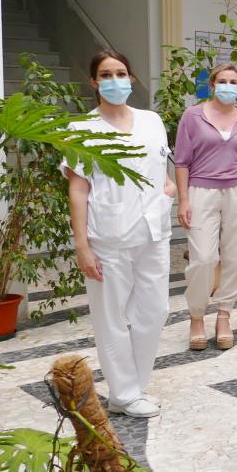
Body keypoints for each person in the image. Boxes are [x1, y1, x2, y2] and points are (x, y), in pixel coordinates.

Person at [64, 50, 174, 418]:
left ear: (131, 78)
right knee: (111, 317)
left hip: (153, 231)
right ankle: (125, 393)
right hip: (107, 237)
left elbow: (163, 169)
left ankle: (134, 387)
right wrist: (82, 245)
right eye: (106, 75)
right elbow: (78, 190)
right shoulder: (82, 129)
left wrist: (168, 192)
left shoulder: (152, 120)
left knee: (155, 311)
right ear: (94, 82)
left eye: (121, 73)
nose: (115, 80)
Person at [174, 63, 237, 351]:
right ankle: (197, 316)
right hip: (202, 192)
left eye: (233, 81)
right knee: (203, 258)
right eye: (222, 81)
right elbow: (182, 161)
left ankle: (224, 315)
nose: (228, 86)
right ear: (211, 85)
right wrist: (184, 200)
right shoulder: (192, 116)